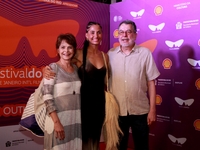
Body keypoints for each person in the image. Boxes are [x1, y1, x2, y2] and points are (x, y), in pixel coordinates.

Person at [43, 22, 109, 150]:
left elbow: (107, 82)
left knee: (94, 142)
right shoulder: (78, 54)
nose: (96, 35)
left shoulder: (105, 57)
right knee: (80, 143)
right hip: (82, 106)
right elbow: (61, 65)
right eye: (92, 32)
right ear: (86, 35)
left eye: (99, 32)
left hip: (99, 106)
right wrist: (45, 70)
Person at [107, 20, 160, 150]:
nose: (124, 35)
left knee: (142, 146)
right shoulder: (110, 55)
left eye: (128, 32)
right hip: (117, 111)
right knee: (119, 146)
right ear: (118, 35)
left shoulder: (145, 53)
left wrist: (152, 109)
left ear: (135, 35)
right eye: (121, 32)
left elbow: (151, 82)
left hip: (140, 111)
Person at [43, 33, 82, 150]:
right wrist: (56, 122)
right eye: (63, 47)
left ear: (74, 50)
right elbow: (47, 97)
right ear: (57, 50)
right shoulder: (52, 68)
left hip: (76, 122)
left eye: (70, 47)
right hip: (59, 122)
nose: (66, 50)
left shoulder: (76, 69)